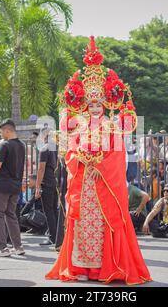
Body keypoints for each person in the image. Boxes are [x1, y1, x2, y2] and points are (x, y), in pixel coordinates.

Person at [46, 36, 151, 284]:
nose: (94, 107)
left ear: (105, 103)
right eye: (90, 103)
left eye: (98, 103)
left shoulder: (111, 125)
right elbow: (70, 151)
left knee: (104, 225)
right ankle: (81, 268)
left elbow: (116, 154)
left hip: (102, 185)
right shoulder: (78, 126)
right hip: (83, 183)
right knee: (82, 224)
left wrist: (99, 167)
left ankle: (106, 268)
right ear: (85, 103)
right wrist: (83, 162)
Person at [0, 119, 26, 257]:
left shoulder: (4, 145)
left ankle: (2, 248)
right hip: (15, 187)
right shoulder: (21, 145)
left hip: (1, 185)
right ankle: (18, 246)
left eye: (2, 131)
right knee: (11, 216)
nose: (0, 134)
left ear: (7, 131)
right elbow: (9, 146)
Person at [35, 127, 59, 246]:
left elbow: (41, 169)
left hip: (47, 182)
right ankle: (57, 236)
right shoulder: (56, 148)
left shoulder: (44, 149)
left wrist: (37, 186)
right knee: (54, 210)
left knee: (49, 211)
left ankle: (52, 237)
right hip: (55, 182)